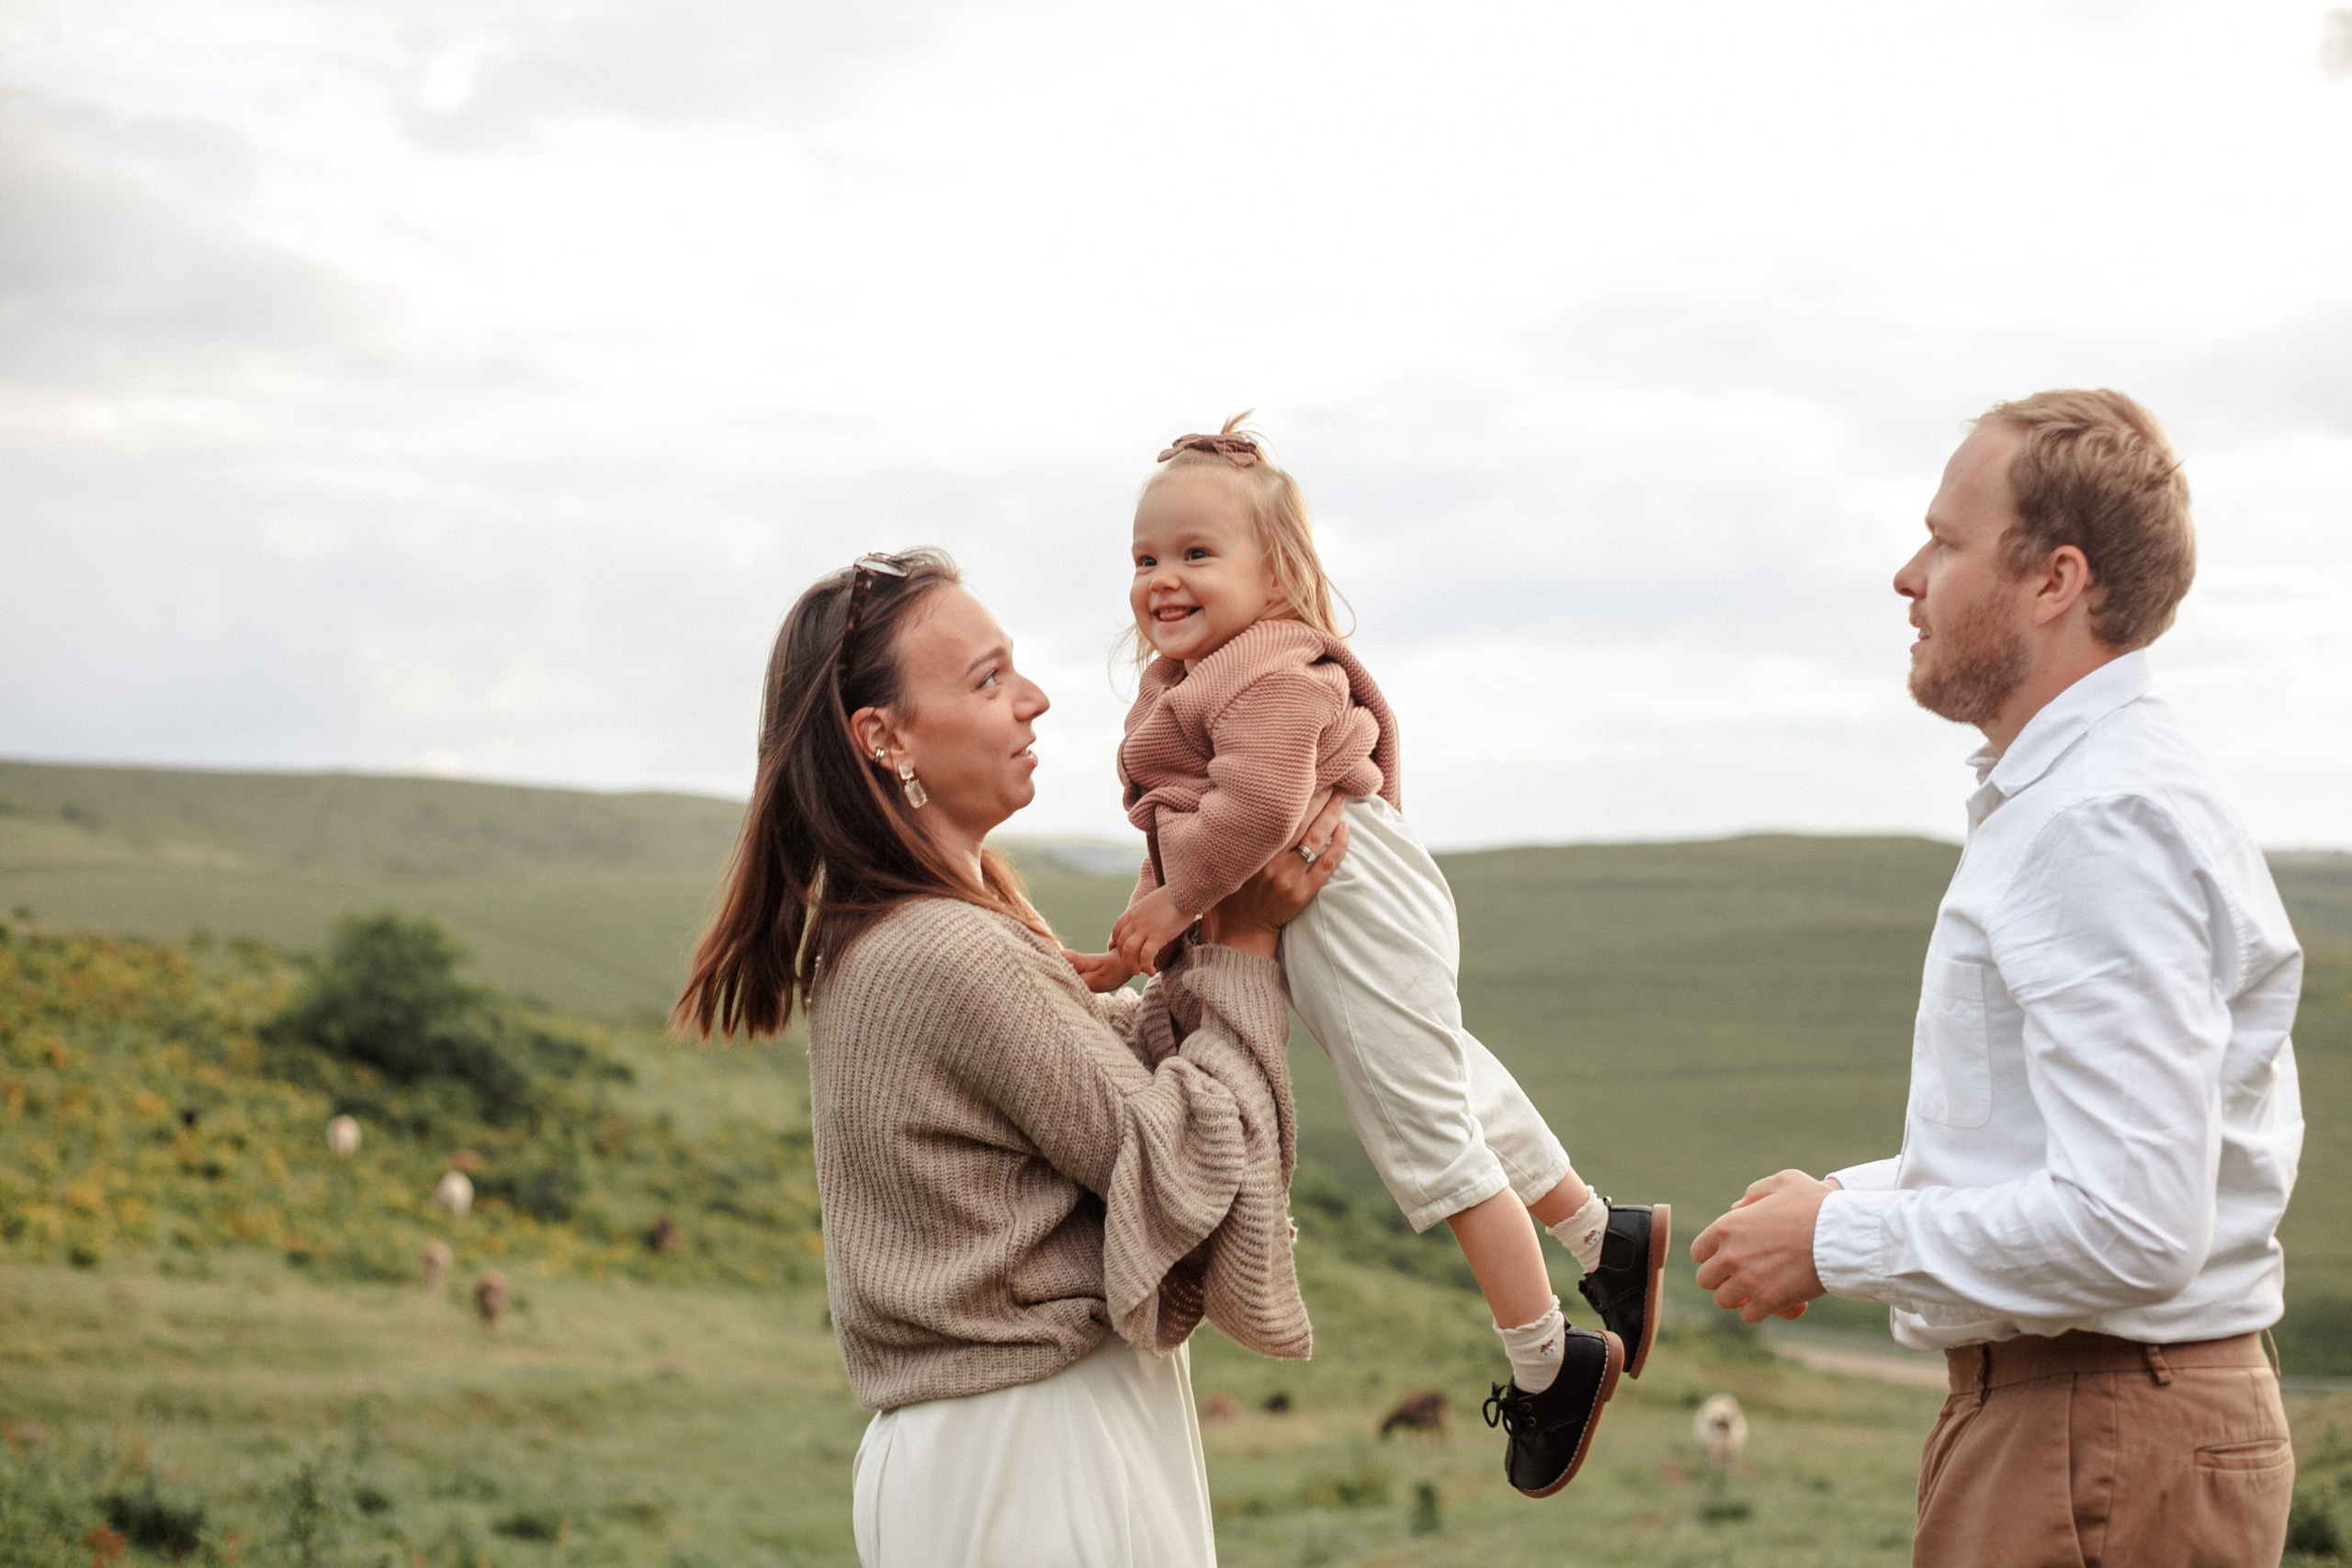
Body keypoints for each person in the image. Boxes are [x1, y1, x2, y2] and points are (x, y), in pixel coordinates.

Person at [1690, 389, 2304, 1567]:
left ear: (2053, 580)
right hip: (2100, 1424)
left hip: (2098, 1431)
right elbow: (2067, 1157)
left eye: (1946, 540)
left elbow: (2130, 1225)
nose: (1906, 576)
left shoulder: (2096, 819)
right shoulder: (2094, 796)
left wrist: (1842, 1241)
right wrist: (1837, 1200)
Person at [675, 548, 1353, 1568]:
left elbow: (1118, 1081)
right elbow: (1178, 1165)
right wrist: (1247, 947)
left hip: (1001, 1448)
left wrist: (1203, 912)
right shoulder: (943, 951)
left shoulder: (920, 931)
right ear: (885, 737)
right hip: (1038, 1456)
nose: (1033, 700)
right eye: (988, 679)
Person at [1065, 415, 1668, 1498]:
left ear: (1277, 571)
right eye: (1145, 558)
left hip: (1347, 888)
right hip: (1345, 894)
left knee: (1419, 1127)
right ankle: (1600, 1232)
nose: (1164, 578)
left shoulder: (1274, 673)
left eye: (1197, 554)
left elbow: (1250, 812)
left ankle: (1548, 1360)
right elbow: (1180, 826)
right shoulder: (1186, 680)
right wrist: (1140, 939)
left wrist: (1174, 910)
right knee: (1442, 1073)